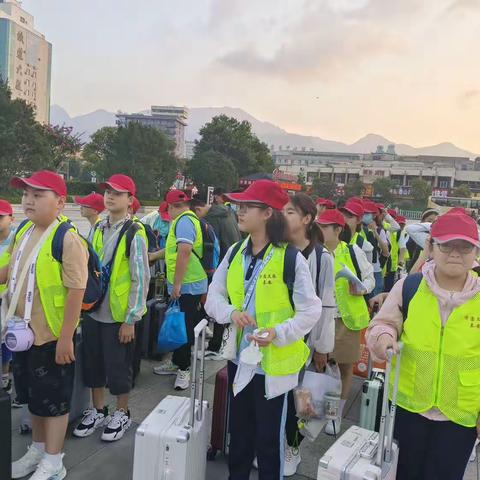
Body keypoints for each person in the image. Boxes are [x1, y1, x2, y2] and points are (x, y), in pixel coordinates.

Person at [205, 180, 322, 480]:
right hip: (239, 361)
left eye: (248, 207)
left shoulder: (290, 258)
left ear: (268, 213)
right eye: (238, 206)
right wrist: (231, 312)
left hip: (273, 367)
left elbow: (311, 310)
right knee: (239, 435)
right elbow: (214, 297)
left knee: (269, 443)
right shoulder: (235, 252)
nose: (239, 211)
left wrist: (278, 333)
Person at [366, 212, 480, 480]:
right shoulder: (411, 286)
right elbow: (383, 324)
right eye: (446, 245)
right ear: (430, 246)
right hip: (407, 409)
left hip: (459, 416)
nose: (455, 253)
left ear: (475, 251)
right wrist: (383, 339)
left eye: (464, 247)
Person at [0, 171, 88, 480]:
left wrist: (66, 338)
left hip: (52, 337)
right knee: (34, 399)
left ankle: (54, 461)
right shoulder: (24, 230)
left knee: (55, 402)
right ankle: (37, 450)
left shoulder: (67, 238)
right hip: (23, 336)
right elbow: (12, 269)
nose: (28, 200)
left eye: (38, 195)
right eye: (26, 194)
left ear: (60, 202)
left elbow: (77, 289)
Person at [74, 174, 150, 442]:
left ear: (130, 200)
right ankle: (97, 410)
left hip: (118, 315)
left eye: (118, 193)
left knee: (119, 367)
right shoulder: (97, 228)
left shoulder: (135, 233)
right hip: (94, 310)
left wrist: (131, 318)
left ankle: (122, 412)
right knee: (92, 364)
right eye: (107, 191)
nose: (110, 196)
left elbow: (141, 279)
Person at [282, 193, 335, 476]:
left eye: (290, 212)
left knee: (303, 398)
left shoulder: (321, 257)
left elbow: (327, 304)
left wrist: (322, 348)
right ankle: (274, 443)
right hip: (279, 337)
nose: (283, 215)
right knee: (277, 395)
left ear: (306, 219)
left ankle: (293, 447)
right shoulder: (276, 249)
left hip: (306, 341)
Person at [316, 209, 375, 434]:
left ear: (338, 230)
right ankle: (316, 409)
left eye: (324, 227)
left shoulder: (352, 251)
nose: (319, 230)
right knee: (319, 365)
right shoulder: (314, 252)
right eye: (318, 226)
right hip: (320, 319)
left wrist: (362, 288)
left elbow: (369, 278)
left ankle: (335, 414)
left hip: (346, 319)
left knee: (344, 367)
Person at [152, 190, 208, 390]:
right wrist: (154, 256)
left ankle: (184, 369)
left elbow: (184, 252)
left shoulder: (184, 221)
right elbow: (174, 251)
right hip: (188, 282)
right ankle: (177, 362)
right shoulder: (186, 220)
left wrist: (177, 284)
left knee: (182, 327)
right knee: (181, 323)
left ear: (171, 206)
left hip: (187, 284)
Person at [190, 195, 242, 359]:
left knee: (218, 301)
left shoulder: (210, 219)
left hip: (221, 264)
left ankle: (216, 346)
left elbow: (211, 247)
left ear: (198, 210)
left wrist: (208, 273)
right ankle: (219, 343)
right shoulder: (228, 212)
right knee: (225, 302)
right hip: (234, 262)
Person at [0, 199, 15, 394]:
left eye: (1, 217)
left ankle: (5, 378)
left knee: (7, 341)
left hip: (8, 300)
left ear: (11, 218)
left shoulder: (16, 241)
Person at [339, 199, 374, 263]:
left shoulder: (364, 246)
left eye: (349, 216)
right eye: (343, 214)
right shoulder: (334, 238)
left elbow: (367, 272)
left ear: (359, 220)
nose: (344, 218)